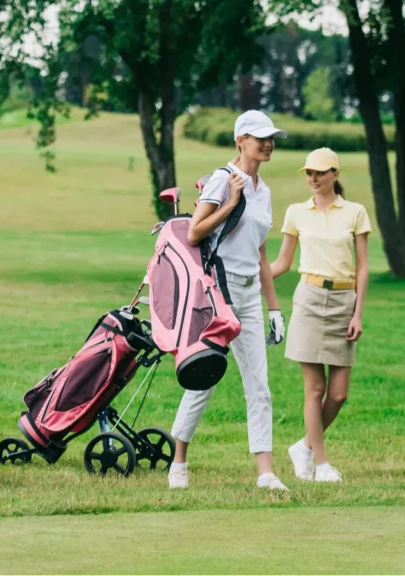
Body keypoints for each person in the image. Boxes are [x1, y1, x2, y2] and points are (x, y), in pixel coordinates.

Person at [168, 110, 289, 492]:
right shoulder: (222, 180)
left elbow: (263, 256)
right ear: (241, 141)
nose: (267, 144)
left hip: (250, 293)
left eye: (271, 138)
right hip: (218, 294)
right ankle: (179, 462)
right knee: (203, 378)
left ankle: (265, 473)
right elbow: (194, 233)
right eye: (259, 138)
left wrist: (274, 309)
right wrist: (230, 200)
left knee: (260, 385)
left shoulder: (265, 191)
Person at [270, 147, 371, 483]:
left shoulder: (355, 212)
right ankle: (322, 463)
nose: (312, 179)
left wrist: (358, 313)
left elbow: (362, 266)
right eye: (309, 173)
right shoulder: (297, 213)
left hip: (344, 300)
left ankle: (303, 447)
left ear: (335, 175)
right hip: (309, 300)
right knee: (315, 388)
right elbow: (282, 263)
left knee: (339, 393)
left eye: (320, 173)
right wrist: (246, 276)